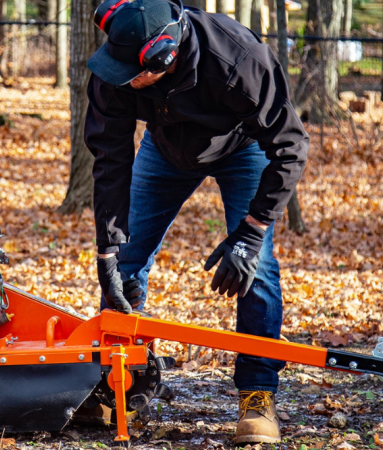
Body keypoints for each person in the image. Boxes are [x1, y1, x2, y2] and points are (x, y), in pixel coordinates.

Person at [85, 0, 309, 444]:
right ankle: (120, 382)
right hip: (164, 149)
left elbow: (291, 146)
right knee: (125, 263)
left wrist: (252, 231)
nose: (122, 78)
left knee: (257, 268)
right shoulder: (117, 68)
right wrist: (107, 251)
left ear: (162, 56)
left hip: (242, 148)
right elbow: (109, 159)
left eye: (132, 71)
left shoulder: (240, 60)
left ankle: (257, 395)